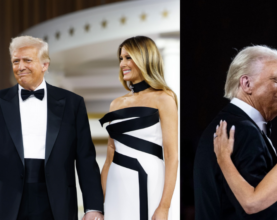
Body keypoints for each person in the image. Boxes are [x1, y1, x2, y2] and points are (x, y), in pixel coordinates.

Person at [193, 45, 277, 219]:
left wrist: (224, 159)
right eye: (276, 79)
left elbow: (254, 203)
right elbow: (257, 212)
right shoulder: (239, 130)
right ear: (246, 84)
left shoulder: (229, 125)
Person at [0, 36, 104, 220]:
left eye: (27, 60)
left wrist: (93, 207)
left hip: (57, 201)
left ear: (45, 65)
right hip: (7, 201)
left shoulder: (73, 103)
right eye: (16, 61)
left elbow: (85, 159)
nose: (20, 66)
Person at [100, 36, 178, 220]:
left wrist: (164, 207)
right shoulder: (116, 104)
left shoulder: (164, 99)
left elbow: (172, 156)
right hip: (115, 187)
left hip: (148, 181)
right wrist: (100, 204)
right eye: (121, 58)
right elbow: (109, 156)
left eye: (128, 58)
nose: (122, 64)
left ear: (145, 59)